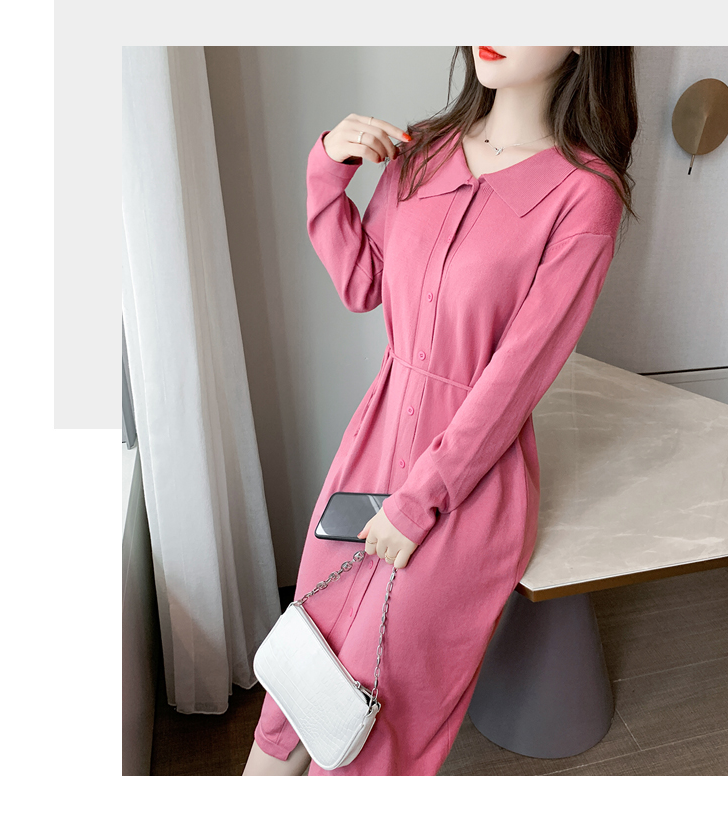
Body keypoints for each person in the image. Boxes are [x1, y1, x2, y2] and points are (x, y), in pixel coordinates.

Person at [243, 46, 638, 776]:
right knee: (300, 679)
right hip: (372, 450)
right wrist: (327, 168)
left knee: (376, 715)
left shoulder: (586, 193)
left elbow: (517, 377)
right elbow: (362, 282)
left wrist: (420, 499)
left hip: (466, 490)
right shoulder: (422, 150)